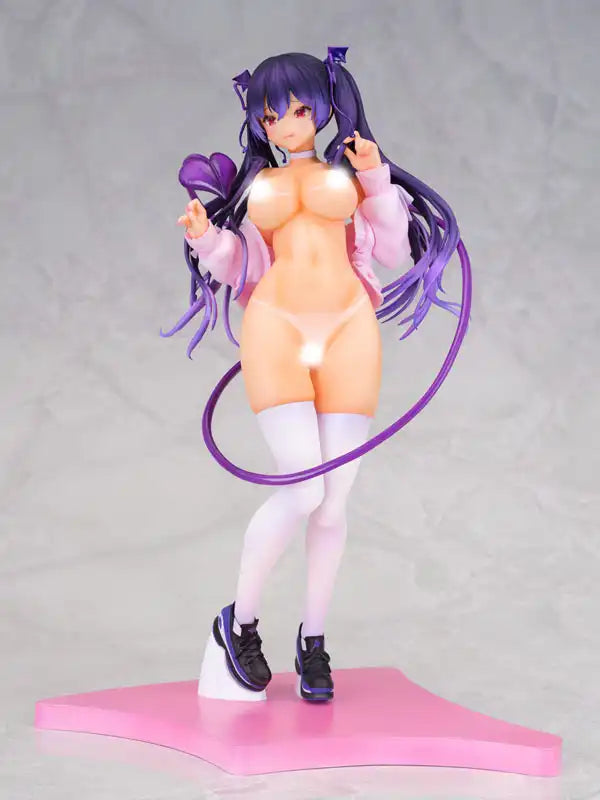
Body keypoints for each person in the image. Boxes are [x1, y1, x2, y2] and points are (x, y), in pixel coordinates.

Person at [165, 48, 462, 703]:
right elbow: (240, 264)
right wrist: (205, 240)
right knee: (301, 487)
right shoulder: (259, 188)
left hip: (349, 332)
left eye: (300, 110)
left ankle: (315, 639)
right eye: (272, 116)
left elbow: (394, 249)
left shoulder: (350, 175)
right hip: (277, 329)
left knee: (333, 500)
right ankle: (240, 622)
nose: (288, 124)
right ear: (259, 122)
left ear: (324, 107)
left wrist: (377, 180)